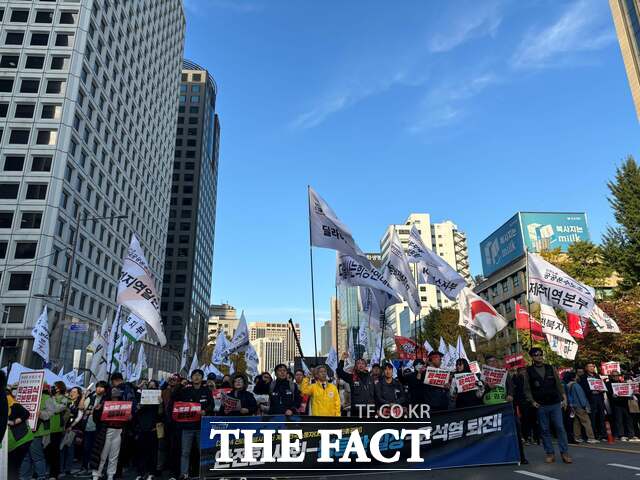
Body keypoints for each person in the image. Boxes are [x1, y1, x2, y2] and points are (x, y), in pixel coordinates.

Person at [523, 347, 572, 464]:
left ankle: (564, 452)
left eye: (540, 354)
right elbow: (526, 389)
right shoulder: (528, 371)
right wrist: (532, 401)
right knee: (544, 430)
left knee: (560, 428)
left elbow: (559, 384)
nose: (539, 356)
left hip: (555, 403)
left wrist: (564, 397)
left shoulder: (550, 368)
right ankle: (550, 453)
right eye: (536, 355)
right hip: (540, 405)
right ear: (532, 357)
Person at [173, 368, 215, 480]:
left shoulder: (206, 391)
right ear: (191, 378)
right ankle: (184, 474)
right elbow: (175, 399)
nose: (196, 377)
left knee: (203, 452)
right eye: (194, 375)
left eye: (199, 375)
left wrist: (205, 411)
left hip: (202, 426)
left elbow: (212, 405)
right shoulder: (185, 390)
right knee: (185, 452)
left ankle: (204, 473)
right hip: (187, 426)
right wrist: (180, 385)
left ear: (202, 378)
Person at [20, 383, 58, 480]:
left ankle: (41, 476)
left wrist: (41, 414)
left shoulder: (46, 398)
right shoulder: (24, 395)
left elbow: (51, 413)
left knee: (37, 456)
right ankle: (24, 477)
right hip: (24, 431)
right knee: (25, 457)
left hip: (37, 432)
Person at [134, 379, 163, 480]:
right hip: (142, 428)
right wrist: (139, 407)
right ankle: (141, 473)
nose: (151, 388)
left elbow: (160, 414)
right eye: (149, 386)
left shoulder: (159, 398)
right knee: (141, 452)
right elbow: (136, 413)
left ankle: (151, 473)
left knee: (153, 452)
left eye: (153, 386)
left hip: (153, 429)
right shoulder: (141, 397)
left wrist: (160, 404)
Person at [77, 381, 107, 475]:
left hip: (100, 428)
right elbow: (81, 407)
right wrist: (84, 396)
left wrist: (92, 412)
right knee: (86, 448)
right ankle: (85, 466)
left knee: (98, 449)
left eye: (101, 387)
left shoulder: (106, 399)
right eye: (97, 387)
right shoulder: (91, 397)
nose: (98, 389)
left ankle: (97, 469)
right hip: (88, 427)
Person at [337, 353, 375, 417]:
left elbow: (375, 395)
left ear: (365, 366)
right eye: (358, 363)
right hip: (356, 411)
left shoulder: (371, 377)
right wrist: (342, 359)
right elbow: (339, 372)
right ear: (356, 366)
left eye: (363, 363)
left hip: (370, 411)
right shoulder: (352, 377)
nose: (361, 365)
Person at [564, 371, 598, 443]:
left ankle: (577, 437)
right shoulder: (576, 385)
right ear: (574, 378)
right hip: (580, 406)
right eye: (576, 376)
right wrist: (585, 406)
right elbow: (581, 396)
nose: (578, 377)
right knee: (587, 422)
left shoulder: (568, 386)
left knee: (576, 422)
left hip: (573, 406)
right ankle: (591, 438)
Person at [7, 387, 32, 480]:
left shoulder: (12, 403)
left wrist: (12, 422)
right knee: (10, 467)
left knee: (12, 467)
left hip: (21, 439)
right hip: (13, 441)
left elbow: (26, 413)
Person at [579, 362, 608, 441]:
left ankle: (603, 435)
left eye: (593, 366)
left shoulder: (597, 376)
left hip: (599, 398)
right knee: (592, 417)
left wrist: (601, 390)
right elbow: (584, 389)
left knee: (601, 416)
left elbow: (602, 386)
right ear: (586, 368)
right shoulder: (583, 377)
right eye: (590, 366)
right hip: (591, 399)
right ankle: (593, 434)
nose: (592, 368)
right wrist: (591, 391)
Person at [607, 371, 639, 441]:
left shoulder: (622, 383)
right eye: (614, 376)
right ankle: (621, 435)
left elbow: (629, 391)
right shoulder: (608, 384)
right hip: (616, 404)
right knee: (619, 420)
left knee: (629, 419)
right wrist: (612, 395)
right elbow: (609, 394)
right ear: (611, 376)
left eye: (617, 375)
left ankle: (631, 434)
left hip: (625, 403)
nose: (616, 377)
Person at [60, 386, 85, 475]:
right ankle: (61, 467)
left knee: (69, 448)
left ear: (78, 394)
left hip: (73, 429)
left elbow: (79, 416)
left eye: (74, 392)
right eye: (71, 391)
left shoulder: (79, 403)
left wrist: (71, 426)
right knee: (61, 448)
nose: (72, 393)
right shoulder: (67, 402)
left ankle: (68, 469)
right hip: (63, 428)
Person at [514, 366, 539, 445]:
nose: (524, 372)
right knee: (525, 420)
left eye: (524, 370)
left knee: (534, 420)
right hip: (523, 403)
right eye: (521, 370)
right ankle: (527, 437)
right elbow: (517, 392)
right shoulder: (517, 379)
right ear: (518, 372)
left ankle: (536, 438)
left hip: (532, 402)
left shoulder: (530, 379)